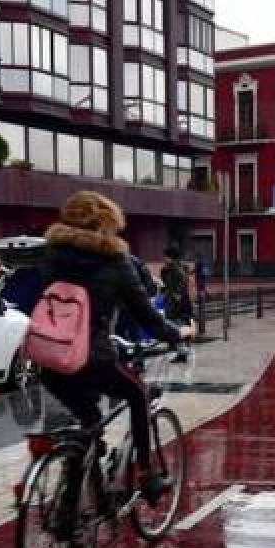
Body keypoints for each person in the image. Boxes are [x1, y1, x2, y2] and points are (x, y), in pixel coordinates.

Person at [36, 192, 192, 503]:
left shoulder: (52, 254)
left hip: (49, 357)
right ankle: (147, 475)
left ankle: (72, 508)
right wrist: (177, 333)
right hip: (91, 357)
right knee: (137, 395)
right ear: (107, 223)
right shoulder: (114, 260)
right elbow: (145, 315)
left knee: (88, 424)